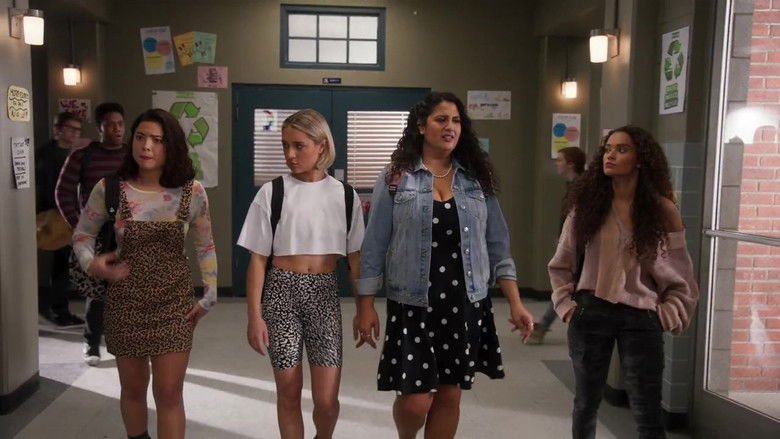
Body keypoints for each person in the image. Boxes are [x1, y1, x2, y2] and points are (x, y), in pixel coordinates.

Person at [355, 92, 534, 439]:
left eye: (456, 121)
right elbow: (374, 245)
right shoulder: (396, 178)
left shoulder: (477, 179)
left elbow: (498, 244)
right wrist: (365, 306)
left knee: (450, 395)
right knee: (415, 402)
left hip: (465, 303)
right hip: (413, 304)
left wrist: (516, 302)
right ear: (422, 126)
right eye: (441, 119)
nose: (450, 127)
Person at [72, 108, 217, 439]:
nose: (146, 146)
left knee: (169, 393)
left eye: (157, 140)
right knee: (134, 390)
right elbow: (82, 235)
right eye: (140, 137)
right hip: (125, 303)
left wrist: (210, 293)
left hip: (174, 304)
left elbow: (205, 246)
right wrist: (92, 263)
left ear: (171, 146)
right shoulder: (110, 188)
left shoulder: (192, 192)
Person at [548, 126, 699, 439]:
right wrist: (566, 305)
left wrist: (669, 312)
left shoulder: (663, 210)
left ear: (641, 159)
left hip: (641, 316)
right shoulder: (587, 206)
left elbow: (681, 273)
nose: (611, 155)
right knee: (586, 404)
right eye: (608, 149)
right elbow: (561, 262)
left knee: (647, 411)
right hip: (591, 312)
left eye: (622, 149)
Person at [237, 109, 364, 439]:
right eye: (285, 146)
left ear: (322, 146)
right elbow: (257, 261)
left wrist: (364, 308)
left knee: (327, 401)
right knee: (289, 393)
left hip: (324, 294)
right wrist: (254, 316)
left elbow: (355, 259)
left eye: (299, 145)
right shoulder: (272, 193)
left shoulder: (345, 196)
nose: (290, 154)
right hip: (281, 294)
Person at [56, 102, 127, 366]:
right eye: (110, 124)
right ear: (99, 127)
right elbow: (63, 192)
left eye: (120, 124)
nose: (116, 129)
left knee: (128, 286)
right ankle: (91, 342)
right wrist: (79, 225)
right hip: (97, 231)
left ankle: (124, 339)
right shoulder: (82, 156)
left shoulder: (132, 155)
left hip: (128, 230)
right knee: (97, 290)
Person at [528, 146, 586, 344]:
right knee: (568, 286)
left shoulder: (580, 187)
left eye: (560, 160)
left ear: (571, 164)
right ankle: (544, 325)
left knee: (567, 286)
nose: (557, 164)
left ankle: (543, 326)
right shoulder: (573, 185)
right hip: (572, 244)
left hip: (579, 247)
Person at [36, 112, 85, 327]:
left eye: (78, 130)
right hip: (54, 217)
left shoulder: (71, 153)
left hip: (68, 216)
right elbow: (48, 189)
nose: (75, 133)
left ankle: (55, 309)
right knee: (64, 266)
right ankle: (57, 311)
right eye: (71, 128)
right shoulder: (48, 154)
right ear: (58, 129)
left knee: (63, 266)